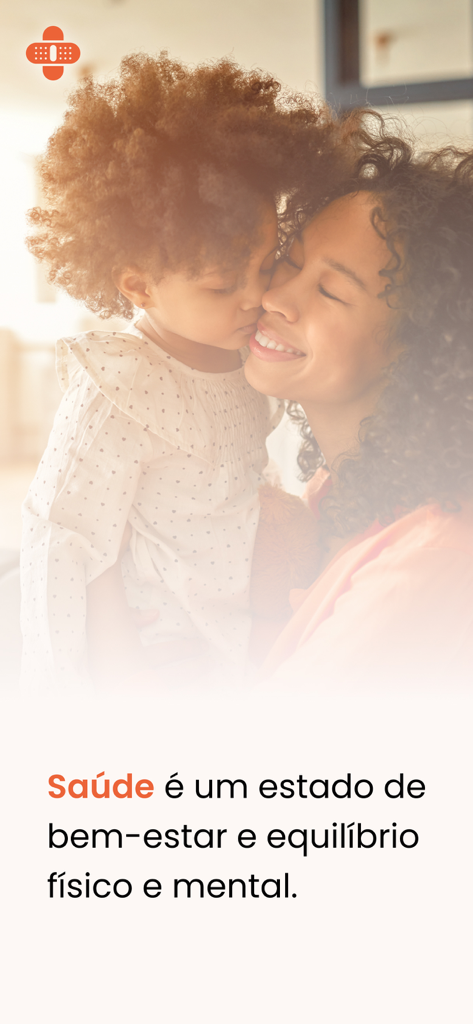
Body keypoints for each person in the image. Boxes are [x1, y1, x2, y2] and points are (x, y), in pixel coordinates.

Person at [20, 52, 347, 688]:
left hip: (241, 624)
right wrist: (104, 680)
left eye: (261, 267)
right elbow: (64, 539)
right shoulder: (121, 386)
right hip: (161, 649)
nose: (256, 298)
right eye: (223, 286)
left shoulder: (241, 348)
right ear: (139, 287)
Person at [245, 116, 473, 687]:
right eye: (290, 262)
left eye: (329, 290)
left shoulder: (437, 554)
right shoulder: (338, 489)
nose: (275, 296)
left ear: (424, 348)